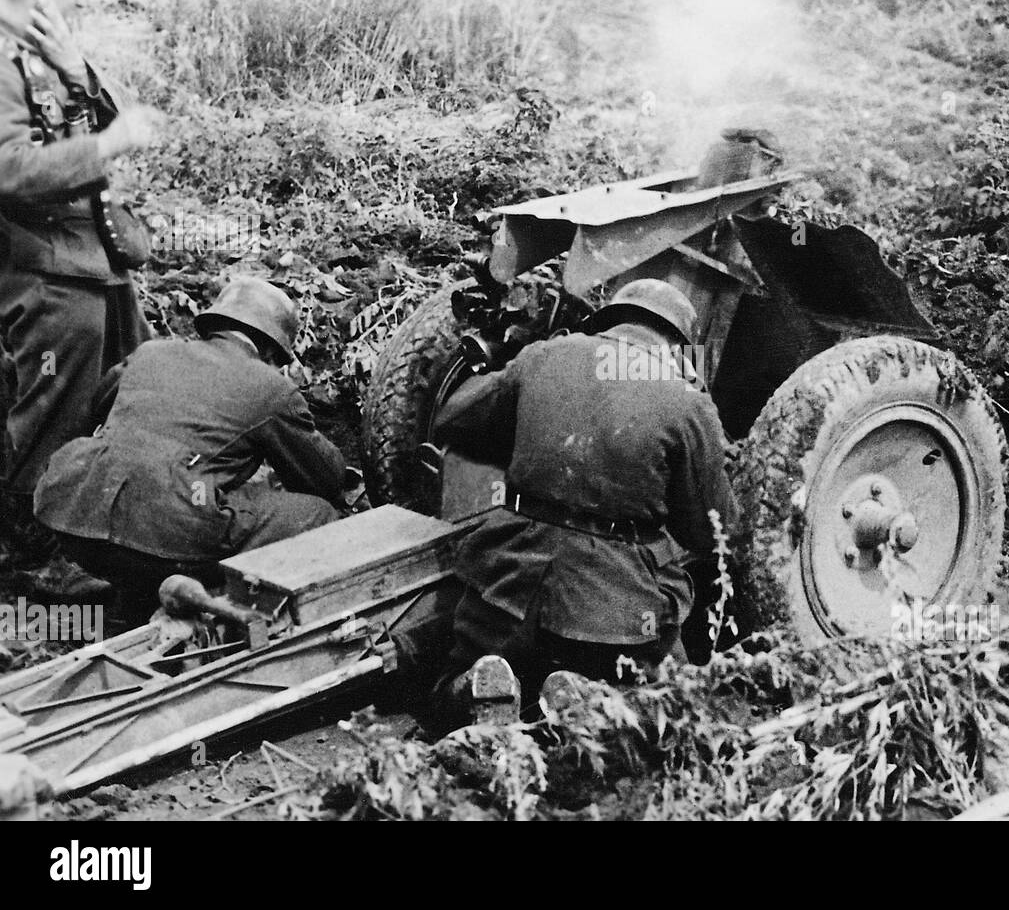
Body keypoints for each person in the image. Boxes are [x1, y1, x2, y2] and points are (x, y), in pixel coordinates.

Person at [424, 278, 739, 730]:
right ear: (678, 346)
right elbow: (713, 533)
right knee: (674, 713)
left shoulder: (544, 356)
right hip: (616, 612)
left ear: (607, 321)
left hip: (511, 585)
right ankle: (588, 701)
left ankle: (473, 687)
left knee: (451, 684)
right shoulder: (687, 403)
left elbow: (453, 418)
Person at [32, 277, 347, 612]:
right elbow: (324, 480)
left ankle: (106, 581)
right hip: (162, 544)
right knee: (317, 513)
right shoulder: (272, 388)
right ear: (272, 349)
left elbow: (99, 408)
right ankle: (211, 598)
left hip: (72, 517)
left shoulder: (151, 352)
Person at [0, 0, 158, 575]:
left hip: (83, 250)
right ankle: (36, 548)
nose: (80, 10)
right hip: (33, 262)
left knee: (136, 367)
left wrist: (77, 72)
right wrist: (106, 147)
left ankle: (98, 513)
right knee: (56, 396)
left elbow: (105, 114)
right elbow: (9, 169)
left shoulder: (42, 49)